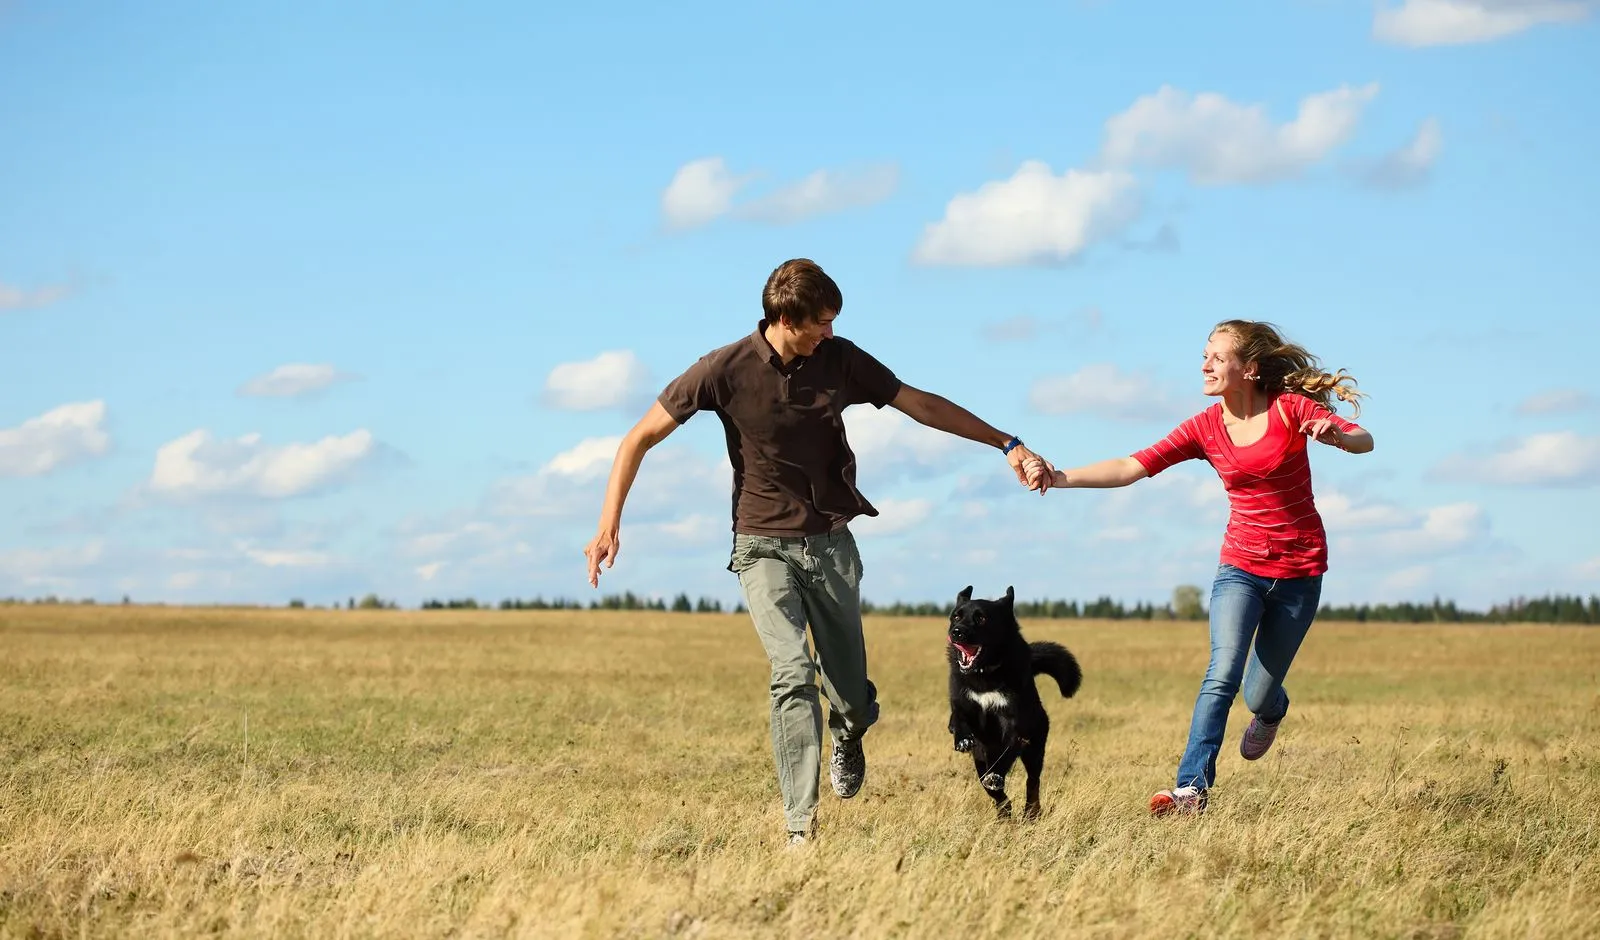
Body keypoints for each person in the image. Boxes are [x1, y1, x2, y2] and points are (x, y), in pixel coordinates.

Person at [582, 258, 1054, 845]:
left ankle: (849, 732)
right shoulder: (721, 370)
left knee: (851, 697)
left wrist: (1004, 442)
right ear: (785, 318)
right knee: (791, 674)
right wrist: (609, 524)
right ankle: (800, 827)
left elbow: (920, 403)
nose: (829, 332)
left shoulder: (841, 360)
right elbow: (639, 437)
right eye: (821, 323)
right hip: (759, 544)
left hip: (830, 545)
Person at [1028, 319, 1373, 816]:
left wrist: (1337, 436)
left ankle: (1272, 708)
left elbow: (1364, 439)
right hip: (1241, 567)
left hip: (1300, 571)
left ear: (1249, 369)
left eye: (1217, 356)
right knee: (1222, 671)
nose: (1205, 365)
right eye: (1204, 354)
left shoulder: (1292, 409)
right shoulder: (1205, 427)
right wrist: (1059, 477)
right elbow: (1133, 466)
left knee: (1257, 694)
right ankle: (1192, 788)